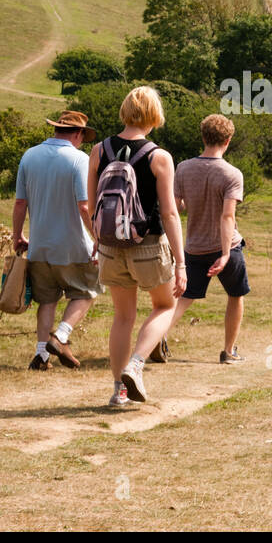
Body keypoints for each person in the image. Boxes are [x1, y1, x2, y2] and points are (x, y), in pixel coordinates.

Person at [87, 86, 186, 406]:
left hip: (111, 246)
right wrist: (181, 262)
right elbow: (170, 212)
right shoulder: (160, 157)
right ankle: (137, 362)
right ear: (154, 116)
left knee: (122, 316)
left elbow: (92, 206)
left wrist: (97, 242)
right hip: (148, 244)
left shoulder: (99, 150)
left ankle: (119, 390)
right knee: (165, 306)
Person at [13, 111, 103, 371]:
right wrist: (97, 237)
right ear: (78, 134)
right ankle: (61, 336)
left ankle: (41, 356)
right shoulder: (78, 159)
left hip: (40, 246)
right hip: (73, 245)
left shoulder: (29, 156)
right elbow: (84, 206)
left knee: (47, 300)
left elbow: (20, 202)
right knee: (88, 290)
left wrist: (18, 234)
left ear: (56, 130)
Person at [167, 114, 250, 363]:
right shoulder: (232, 174)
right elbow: (227, 217)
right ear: (228, 140)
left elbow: (176, 207)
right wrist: (225, 254)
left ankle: (157, 338)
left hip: (194, 247)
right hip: (228, 246)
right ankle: (228, 351)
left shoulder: (183, 168)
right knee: (235, 296)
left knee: (184, 298)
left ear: (203, 137)